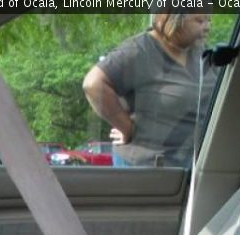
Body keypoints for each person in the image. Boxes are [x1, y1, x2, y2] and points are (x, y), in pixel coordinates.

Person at [82, 13, 216, 168]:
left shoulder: (201, 53)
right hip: (148, 169)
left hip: (196, 166)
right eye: (199, 20)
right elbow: (93, 84)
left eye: (209, 20)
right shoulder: (139, 50)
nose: (207, 27)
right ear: (172, 18)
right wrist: (126, 128)